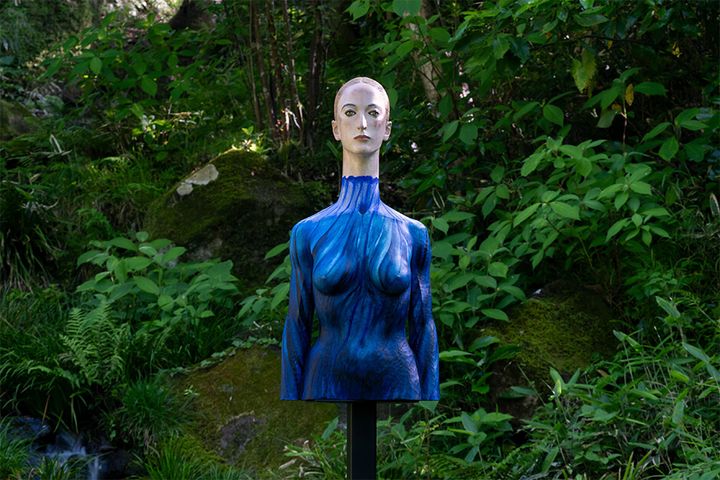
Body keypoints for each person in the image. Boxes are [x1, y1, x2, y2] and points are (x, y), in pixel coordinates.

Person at [280, 77, 439, 401]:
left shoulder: (412, 234)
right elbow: (297, 320)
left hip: (396, 375)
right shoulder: (308, 232)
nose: (362, 123)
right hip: (326, 376)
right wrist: (291, 389)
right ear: (336, 129)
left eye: (373, 113)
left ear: (387, 128)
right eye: (350, 113)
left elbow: (423, 323)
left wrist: (429, 387)